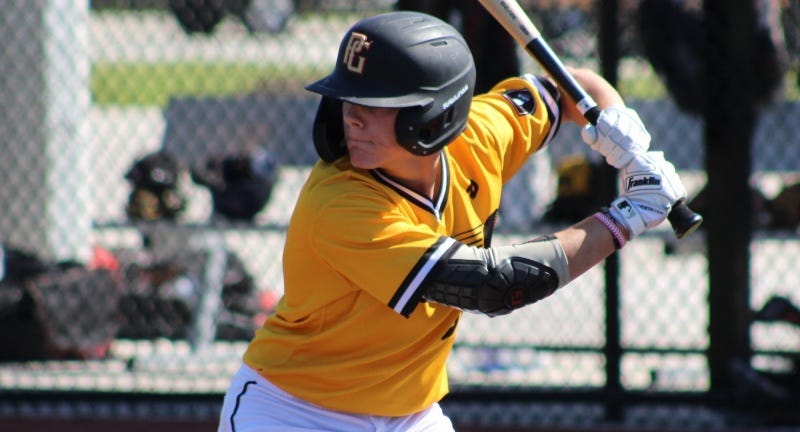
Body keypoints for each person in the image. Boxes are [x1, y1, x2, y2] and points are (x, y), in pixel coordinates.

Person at [217, 11, 687, 431]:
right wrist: (626, 217)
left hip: (410, 413)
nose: (352, 118)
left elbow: (572, 85)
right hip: (295, 409)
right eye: (347, 99)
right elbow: (495, 284)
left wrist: (621, 128)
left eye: (375, 104)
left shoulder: (480, 137)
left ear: (434, 116)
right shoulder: (340, 202)